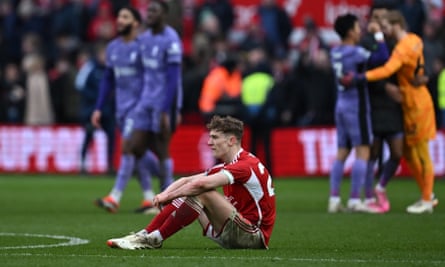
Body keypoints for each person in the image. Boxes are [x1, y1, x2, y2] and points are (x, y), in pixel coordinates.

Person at [106, 115, 276, 250]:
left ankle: (154, 238)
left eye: (215, 137)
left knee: (201, 190)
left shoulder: (245, 166)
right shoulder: (231, 164)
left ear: (231, 141)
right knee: (194, 188)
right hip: (232, 230)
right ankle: (145, 234)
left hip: (252, 236)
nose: (209, 143)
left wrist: (169, 196)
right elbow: (186, 180)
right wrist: (164, 195)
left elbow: (199, 186)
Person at [341, 10, 437, 214]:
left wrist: (359, 78)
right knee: (410, 154)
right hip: (410, 103)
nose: (382, 30)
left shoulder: (402, 48)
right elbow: (421, 65)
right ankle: (426, 195)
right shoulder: (415, 39)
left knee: (421, 153)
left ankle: (427, 199)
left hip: (414, 104)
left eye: (385, 26)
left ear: (395, 25)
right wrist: (423, 74)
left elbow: (386, 70)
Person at [92, 6, 161, 214]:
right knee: (139, 154)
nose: (119, 20)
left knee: (128, 148)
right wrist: (98, 107)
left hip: (140, 107)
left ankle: (115, 196)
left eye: (125, 17)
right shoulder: (113, 48)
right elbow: (107, 79)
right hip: (121, 109)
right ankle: (154, 195)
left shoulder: (144, 47)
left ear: (136, 23)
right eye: (119, 16)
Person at [328, 13, 389, 213]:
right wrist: (378, 35)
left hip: (340, 105)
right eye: (356, 27)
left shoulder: (335, 52)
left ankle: (334, 199)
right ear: (349, 32)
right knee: (363, 151)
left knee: (342, 153)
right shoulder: (356, 53)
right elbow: (382, 58)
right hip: (357, 106)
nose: (359, 30)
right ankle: (355, 200)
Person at [126, 0, 182, 194]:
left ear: (164, 15)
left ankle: (166, 190)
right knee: (135, 147)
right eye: (148, 10)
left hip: (164, 101)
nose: (148, 14)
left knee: (161, 146)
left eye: (154, 11)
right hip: (145, 100)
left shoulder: (171, 39)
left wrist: (167, 109)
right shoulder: (144, 38)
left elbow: (174, 79)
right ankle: (167, 180)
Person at [360, 5, 404, 213]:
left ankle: (381, 186)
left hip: (394, 106)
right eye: (375, 18)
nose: (378, 22)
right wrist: (386, 86)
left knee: (397, 152)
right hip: (375, 103)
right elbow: (369, 71)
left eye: (382, 18)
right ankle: (368, 196)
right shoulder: (367, 43)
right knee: (373, 153)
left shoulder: (397, 43)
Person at [75, 42, 115, 175]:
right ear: (98, 55)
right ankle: (82, 165)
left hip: (108, 111)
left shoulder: (111, 69)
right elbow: (81, 87)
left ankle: (110, 166)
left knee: (111, 137)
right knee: (88, 136)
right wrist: (98, 99)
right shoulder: (91, 68)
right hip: (92, 110)